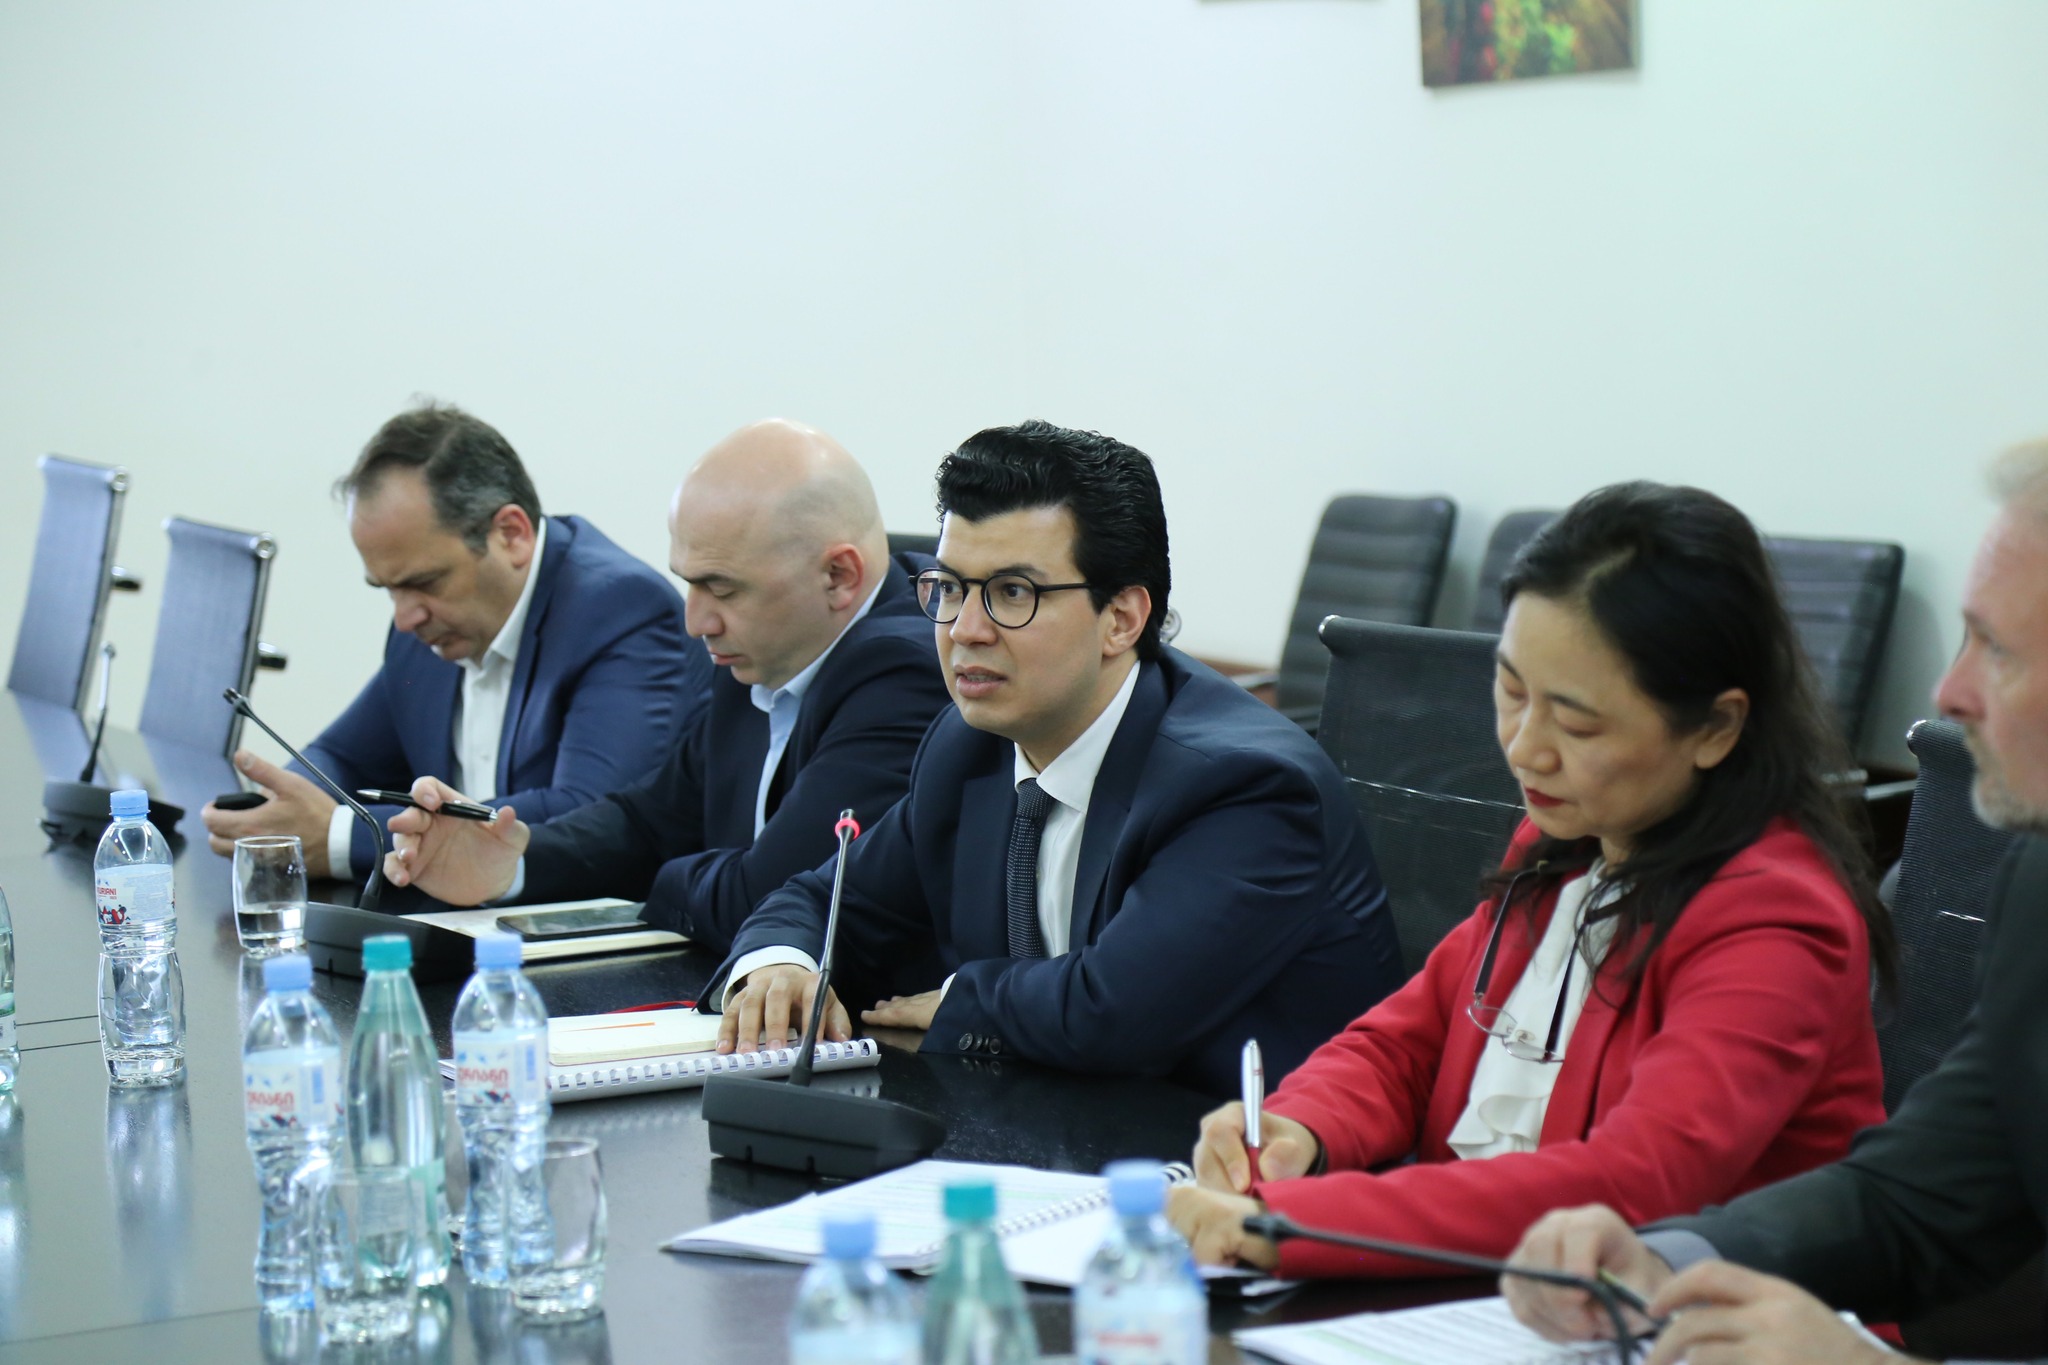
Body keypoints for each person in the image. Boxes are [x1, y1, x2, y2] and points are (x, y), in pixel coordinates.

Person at [1167, 481, 1897, 1277]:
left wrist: (1286, 1223)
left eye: (1577, 721)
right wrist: (1300, 1128)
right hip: (1502, 1305)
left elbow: (1628, 1185)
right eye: (1512, 689)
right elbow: (1411, 1041)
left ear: (1716, 727)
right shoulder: (1568, 842)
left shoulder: (1776, 918)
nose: (1524, 747)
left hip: (1701, 1319)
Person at [1504, 442, 2048, 1364]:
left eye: (1997, 649)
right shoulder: (2038, 879)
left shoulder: (1773, 902)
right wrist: (1669, 1256)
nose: (1948, 693)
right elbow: (1923, 1192)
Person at [710, 418, 1403, 1096]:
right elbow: (824, 900)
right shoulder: (966, 745)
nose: (965, 631)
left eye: (1013, 593)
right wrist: (781, 965)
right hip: (1042, 1123)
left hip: (1232, 1150)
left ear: (1122, 618)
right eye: (950, 589)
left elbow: (1117, 1011)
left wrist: (961, 1003)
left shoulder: (1244, 785)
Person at [379, 418, 954, 955]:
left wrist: (673, 878)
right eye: (690, 584)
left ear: (839, 576)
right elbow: (650, 822)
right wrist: (512, 861)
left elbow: (769, 900)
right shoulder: (760, 647)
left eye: (721, 589)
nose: (695, 621)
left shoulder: (906, 673)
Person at [200, 401, 704, 881]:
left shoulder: (619, 609)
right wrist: (282, 809)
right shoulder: (430, 625)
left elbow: (585, 814)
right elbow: (344, 757)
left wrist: (338, 836)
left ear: (511, 534)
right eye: (388, 589)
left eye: (424, 582)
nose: (404, 618)